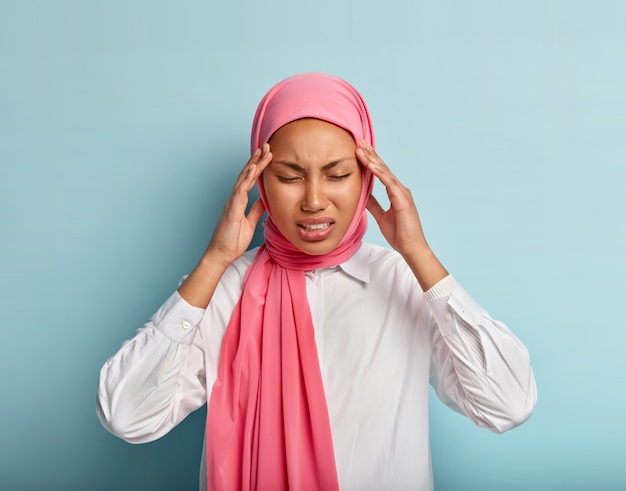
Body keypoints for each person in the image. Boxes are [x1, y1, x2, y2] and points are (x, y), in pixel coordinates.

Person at [97, 72, 537, 491]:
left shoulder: (405, 282)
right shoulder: (222, 289)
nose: (312, 200)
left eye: (338, 174)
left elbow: (507, 404)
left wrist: (419, 254)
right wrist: (213, 262)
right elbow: (128, 416)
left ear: (367, 177)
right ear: (260, 182)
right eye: (288, 177)